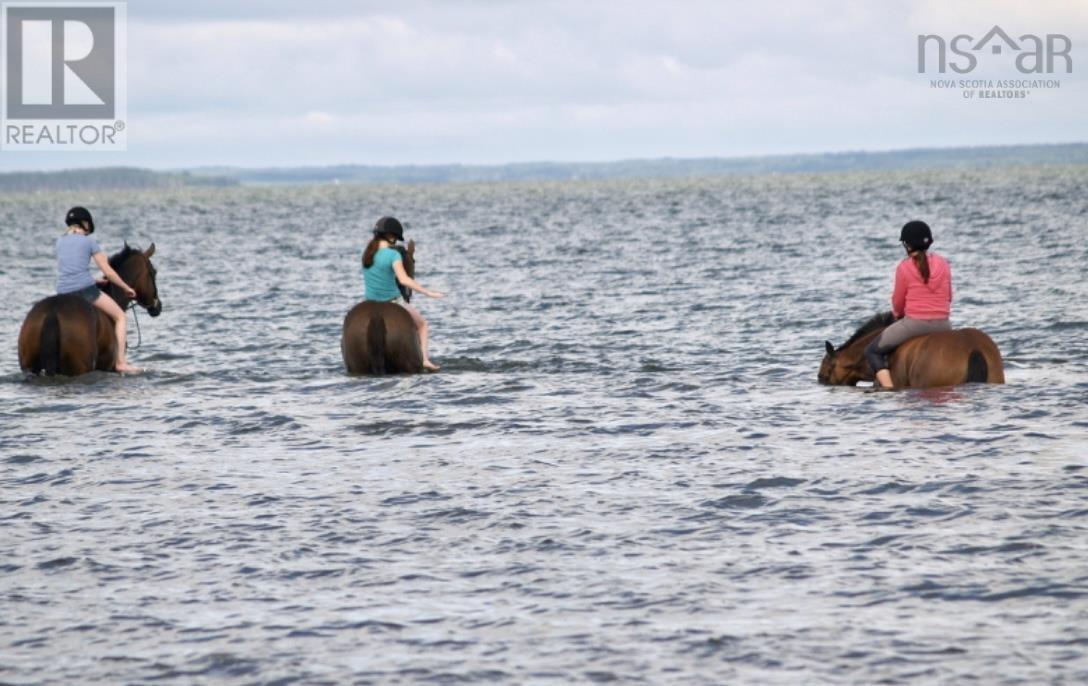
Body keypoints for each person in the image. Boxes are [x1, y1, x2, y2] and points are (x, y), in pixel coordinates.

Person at [865, 220, 953, 389]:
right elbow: (949, 296)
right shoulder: (943, 263)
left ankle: (889, 389)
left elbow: (898, 302)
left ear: (907, 245)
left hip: (914, 324)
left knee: (872, 351)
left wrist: (898, 316)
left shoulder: (904, 267)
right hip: (944, 324)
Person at [56, 206, 140, 374]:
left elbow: (70, 271)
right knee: (121, 317)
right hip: (84, 291)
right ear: (85, 224)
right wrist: (126, 287)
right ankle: (121, 362)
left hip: (62, 293)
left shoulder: (59, 242)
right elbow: (108, 271)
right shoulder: (89, 241)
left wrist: (94, 280)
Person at [362, 216, 445, 371]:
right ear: (392, 236)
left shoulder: (367, 254)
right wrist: (428, 292)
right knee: (423, 324)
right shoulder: (393, 255)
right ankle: (425, 360)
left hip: (369, 303)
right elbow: (404, 280)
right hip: (393, 301)